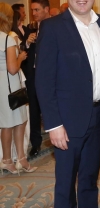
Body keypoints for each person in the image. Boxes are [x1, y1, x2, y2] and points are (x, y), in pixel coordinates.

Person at [35, 0, 100, 208]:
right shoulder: (52, 27)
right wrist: (53, 124)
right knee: (66, 183)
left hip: (98, 113)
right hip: (67, 120)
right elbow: (43, 80)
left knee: (90, 179)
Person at [0, 3, 37, 175]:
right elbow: (13, 68)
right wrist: (21, 57)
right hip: (11, 84)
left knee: (6, 124)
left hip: (1, 86)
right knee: (21, 121)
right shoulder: (7, 39)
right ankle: (20, 159)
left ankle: (7, 160)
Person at [23, 0, 50, 157]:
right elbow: (23, 51)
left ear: (46, 9)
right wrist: (27, 42)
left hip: (51, 77)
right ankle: (36, 143)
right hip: (33, 77)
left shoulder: (57, 28)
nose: (34, 13)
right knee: (34, 110)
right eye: (32, 10)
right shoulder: (30, 30)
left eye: (37, 10)